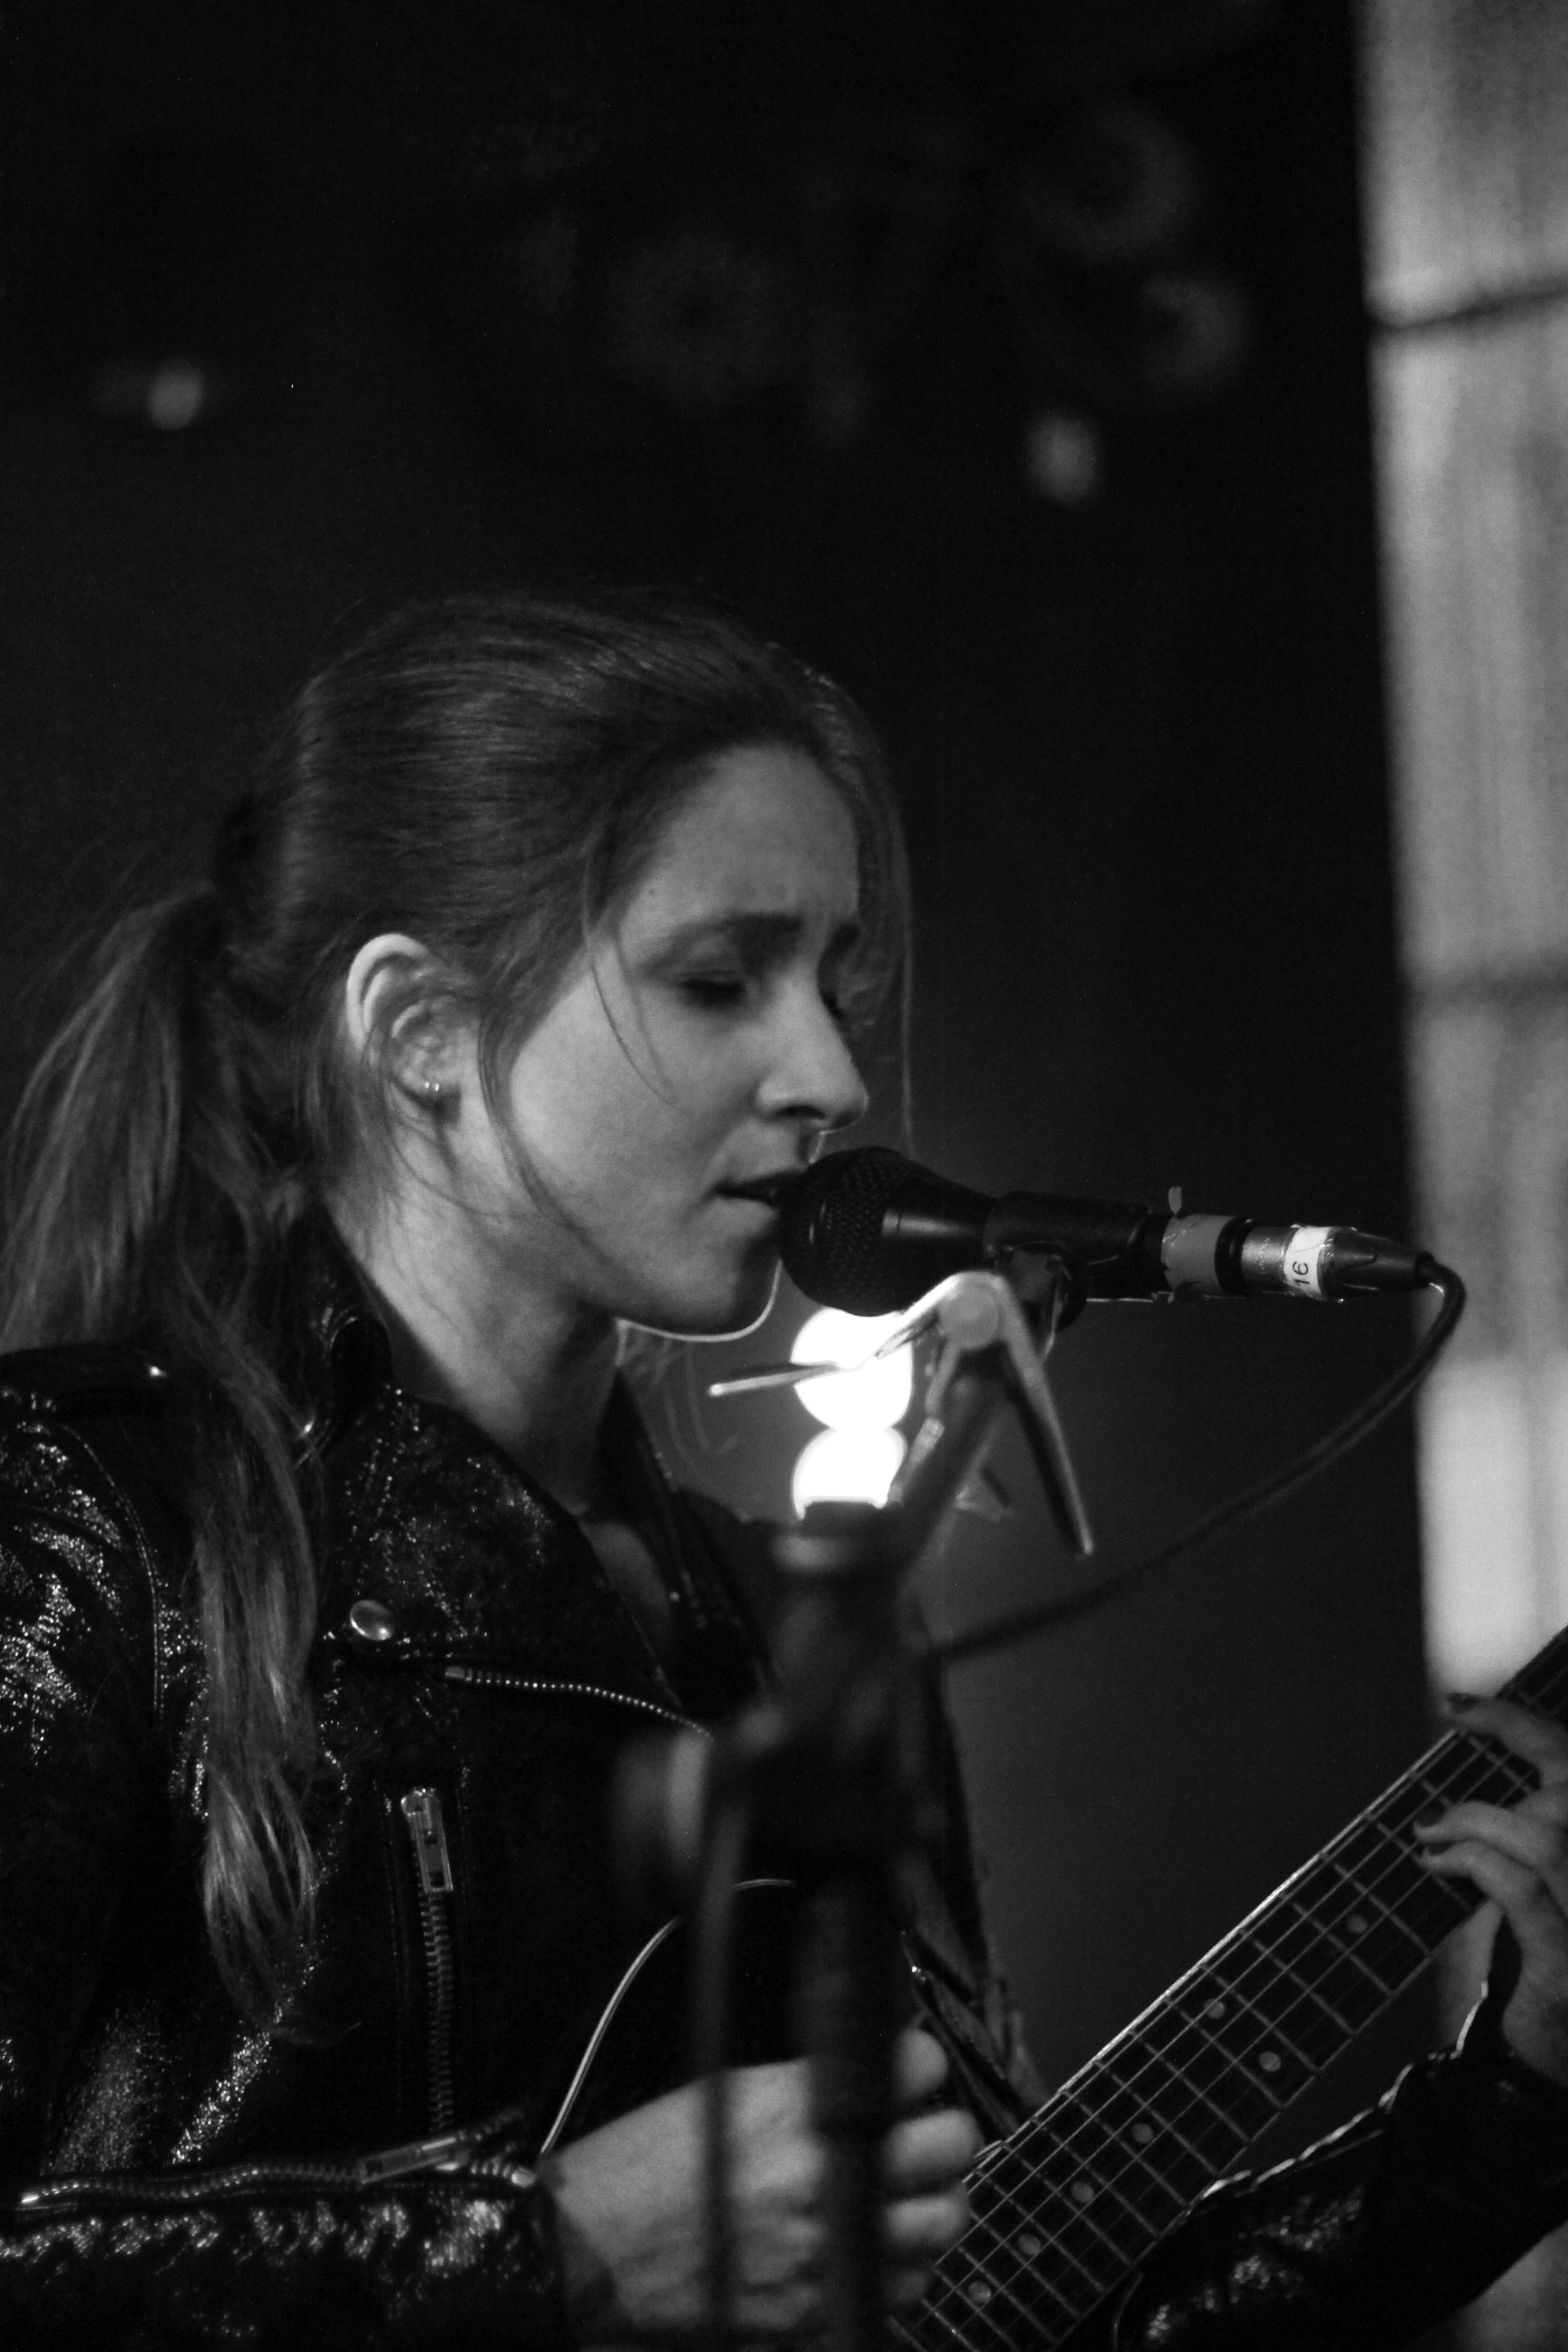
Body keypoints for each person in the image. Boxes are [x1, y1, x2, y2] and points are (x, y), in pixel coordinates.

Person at [0, 591, 1565, 2351]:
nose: (826, 1072)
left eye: (835, 980)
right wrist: (547, 2256)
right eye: (718, 980)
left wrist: (1517, 2109)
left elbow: (1002, 2317)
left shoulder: (794, 1625)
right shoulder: (78, 1528)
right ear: (418, 1026)